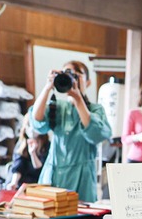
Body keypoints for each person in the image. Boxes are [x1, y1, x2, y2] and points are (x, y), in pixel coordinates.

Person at [29, 59, 112, 203]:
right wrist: (47, 87)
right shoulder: (57, 107)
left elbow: (97, 134)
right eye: (67, 74)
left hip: (81, 182)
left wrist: (79, 100)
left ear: (88, 82)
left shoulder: (95, 110)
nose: (72, 79)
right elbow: (36, 121)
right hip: (53, 177)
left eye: (77, 75)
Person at [6, 115, 48, 189]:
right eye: (29, 125)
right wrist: (14, 182)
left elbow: (39, 169)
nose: (31, 129)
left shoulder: (47, 145)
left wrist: (33, 153)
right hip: (21, 184)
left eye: (33, 125)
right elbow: (18, 165)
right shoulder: (21, 143)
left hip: (38, 184)